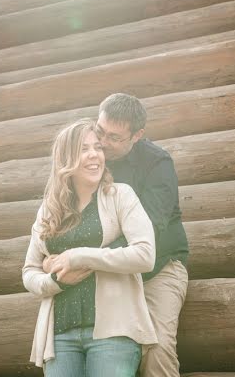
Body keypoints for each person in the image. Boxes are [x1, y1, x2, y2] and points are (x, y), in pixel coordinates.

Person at [23, 118, 158, 376]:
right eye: (84, 149)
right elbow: (29, 271)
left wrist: (78, 256)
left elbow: (145, 254)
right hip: (59, 337)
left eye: (97, 147)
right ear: (66, 159)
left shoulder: (121, 195)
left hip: (113, 335)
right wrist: (57, 282)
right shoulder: (49, 210)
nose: (94, 155)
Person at [95, 93, 189, 377]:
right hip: (105, 272)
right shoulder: (88, 153)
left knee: (156, 349)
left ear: (137, 135)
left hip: (158, 268)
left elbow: (149, 228)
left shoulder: (157, 163)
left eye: (114, 137)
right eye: (100, 131)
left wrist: (95, 258)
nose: (102, 142)